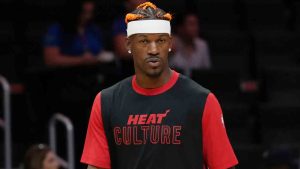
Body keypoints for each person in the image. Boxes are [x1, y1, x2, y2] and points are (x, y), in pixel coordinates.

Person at [81, 2, 238, 169]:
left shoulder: (202, 100)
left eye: (161, 40)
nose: (153, 49)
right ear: (128, 45)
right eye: (144, 41)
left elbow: (223, 166)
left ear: (170, 44)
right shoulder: (106, 102)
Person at [43, 0, 104, 67]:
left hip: (94, 72)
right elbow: (50, 60)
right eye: (84, 12)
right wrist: (81, 60)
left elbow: (99, 51)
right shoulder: (56, 30)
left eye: (90, 12)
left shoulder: (94, 29)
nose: (88, 17)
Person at [112, 0, 146, 77]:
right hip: (130, 72)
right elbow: (123, 51)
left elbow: (171, 46)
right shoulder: (121, 23)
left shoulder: (156, 21)